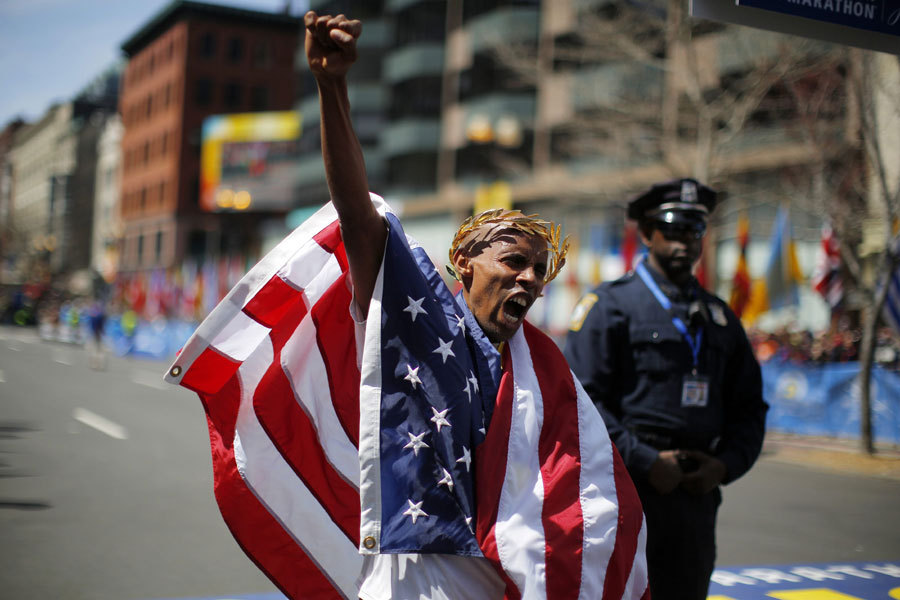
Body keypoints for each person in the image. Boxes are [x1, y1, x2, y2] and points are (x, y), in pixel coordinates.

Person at [303, 11, 647, 600]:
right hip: (412, 572)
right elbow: (358, 217)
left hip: (495, 578)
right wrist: (332, 87)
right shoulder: (413, 321)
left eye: (540, 270)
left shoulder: (544, 371)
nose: (530, 278)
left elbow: (581, 486)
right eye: (513, 261)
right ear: (464, 262)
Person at [564, 179, 768, 600]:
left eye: (694, 230)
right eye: (672, 229)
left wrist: (724, 466)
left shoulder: (720, 317)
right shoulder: (609, 306)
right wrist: (646, 460)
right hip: (626, 488)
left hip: (696, 492)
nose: (684, 241)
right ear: (646, 233)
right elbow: (581, 402)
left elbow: (750, 407)